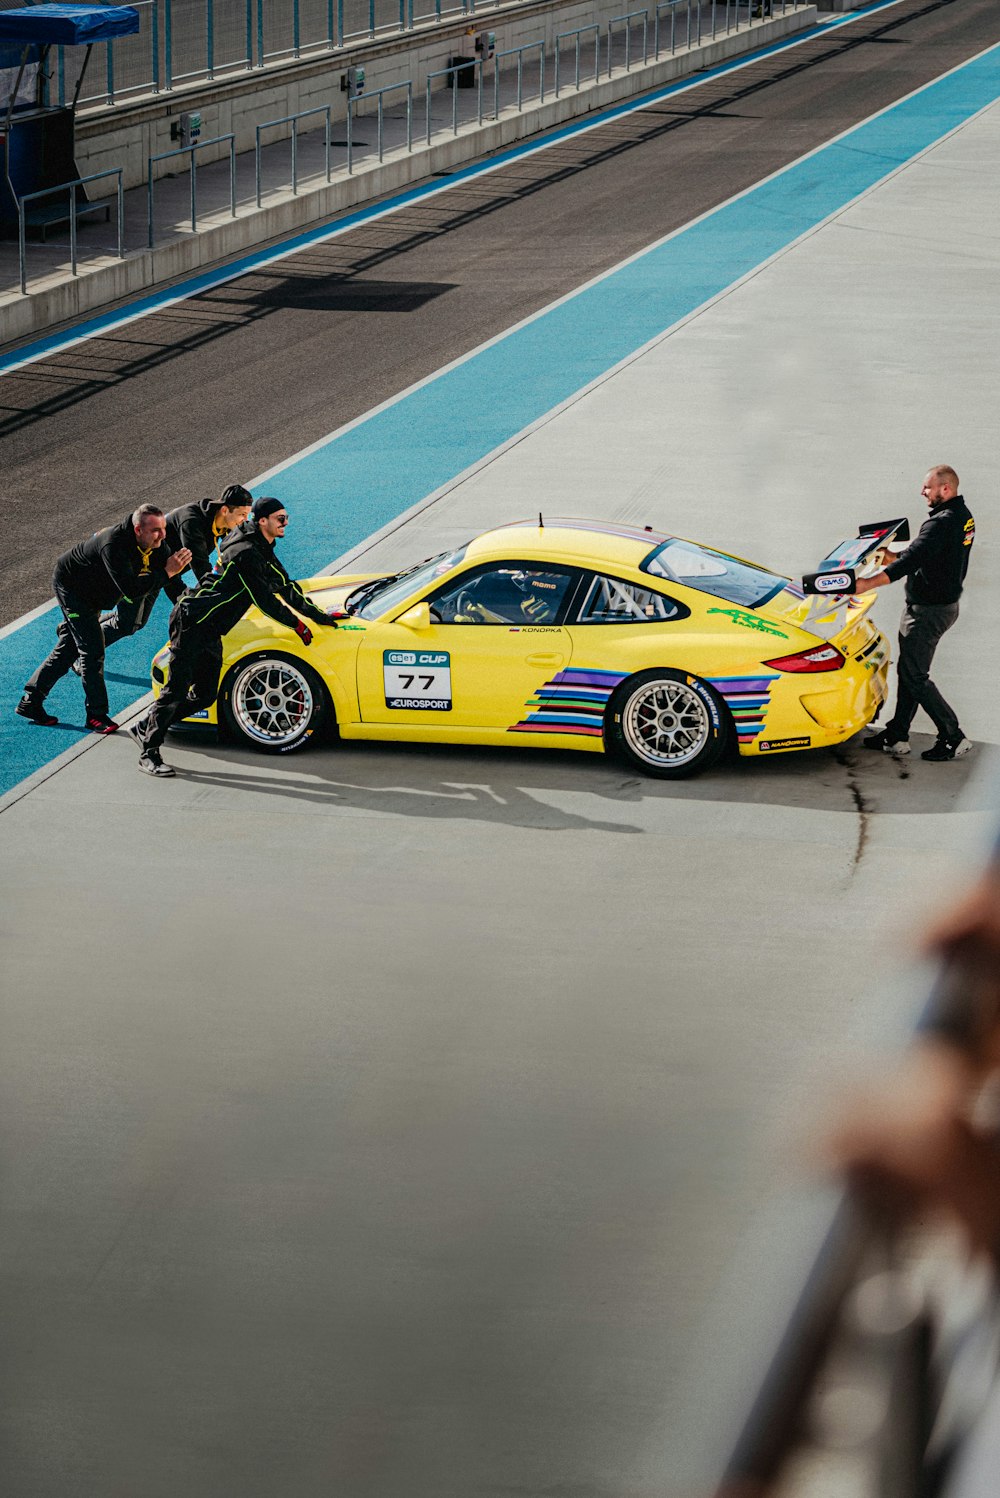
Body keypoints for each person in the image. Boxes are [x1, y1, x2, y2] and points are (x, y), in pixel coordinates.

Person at [132, 495, 339, 777]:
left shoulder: (259, 544)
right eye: (281, 519)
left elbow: (286, 585)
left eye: (286, 518)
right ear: (262, 520)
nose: (286, 523)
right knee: (176, 691)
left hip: (211, 627)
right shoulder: (246, 552)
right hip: (192, 622)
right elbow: (265, 599)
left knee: (205, 696)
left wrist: (321, 617)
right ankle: (149, 752)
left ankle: (148, 724)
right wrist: (297, 625)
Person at [16, 506, 191, 735]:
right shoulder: (114, 544)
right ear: (138, 529)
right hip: (74, 591)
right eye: (156, 530)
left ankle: (31, 701)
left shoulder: (156, 545)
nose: (163, 535)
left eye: (164, 529)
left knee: (71, 646)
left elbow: (172, 580)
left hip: (97, 592)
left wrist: (189, 601)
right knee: (91, 650)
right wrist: (167, 573)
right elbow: (130, 590)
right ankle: (96, 716)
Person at [859, 465, 975, 762]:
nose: (922, 491)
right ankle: (897, 734)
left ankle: (952, 735)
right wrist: (895, 555)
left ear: (945, 489)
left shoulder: (942, 523)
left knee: (915, 675)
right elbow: (928, 552)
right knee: (909, 671)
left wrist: (866, 583)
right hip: (940, 606)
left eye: (927, 487)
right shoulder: (962, 517)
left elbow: (910, 562)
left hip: (928, 612)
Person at [98, 484, 253, 652]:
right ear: (224, 510)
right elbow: (202, 570)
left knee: (134, 620)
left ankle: (79, 628)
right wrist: (195, 604)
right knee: (128, 624)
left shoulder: (223, 524)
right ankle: (82, 648)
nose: (245, 520)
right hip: (142, 569)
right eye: (242, 515)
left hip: (164, 572)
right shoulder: (192, 522)